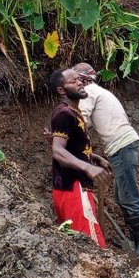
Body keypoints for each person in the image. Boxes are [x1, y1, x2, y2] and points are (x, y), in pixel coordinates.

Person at [71, 63, 139, 259]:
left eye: (75, 80)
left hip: (122, 146)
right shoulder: (100, 91)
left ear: (82, 80)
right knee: (121, 196)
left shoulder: (89, 92)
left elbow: (82, 121)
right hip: (125, 145)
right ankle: (135, 240)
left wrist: (72, 143)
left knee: (129, 196)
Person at [49, 68, 112, 248]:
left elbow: (71, 147)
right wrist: (88, 168)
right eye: (73, 81)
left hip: (70, 187)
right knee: (91, 245)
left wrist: (93, 157)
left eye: (80, 79)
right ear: (61, 90)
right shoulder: (64, 114)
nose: (80, 82)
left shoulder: (72, 112)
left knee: (76, 245)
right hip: (74, 188)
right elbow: (58, 151)